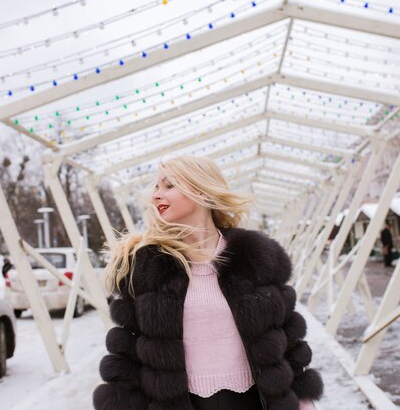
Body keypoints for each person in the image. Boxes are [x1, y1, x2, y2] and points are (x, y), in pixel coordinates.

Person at [93, 155, 323, 410]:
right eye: (156, 187)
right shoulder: (145, 266)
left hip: (254, 402)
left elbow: (288, 342)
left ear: (201, 189)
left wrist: (304, 403)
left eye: (169, 186)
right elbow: (126, 357)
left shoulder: (255, 257)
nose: (156, 195)